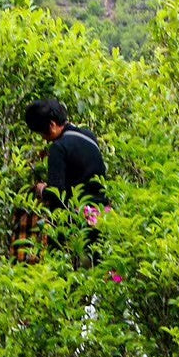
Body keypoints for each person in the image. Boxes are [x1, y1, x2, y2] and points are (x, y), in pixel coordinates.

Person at [23, 98, 107, 249]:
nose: (44, 138)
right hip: (102, 217)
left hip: (76, 222)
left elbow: (57, 193)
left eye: (42, 133)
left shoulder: (59, 148)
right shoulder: (89, 136)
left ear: (52, 125)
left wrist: (42, 190)